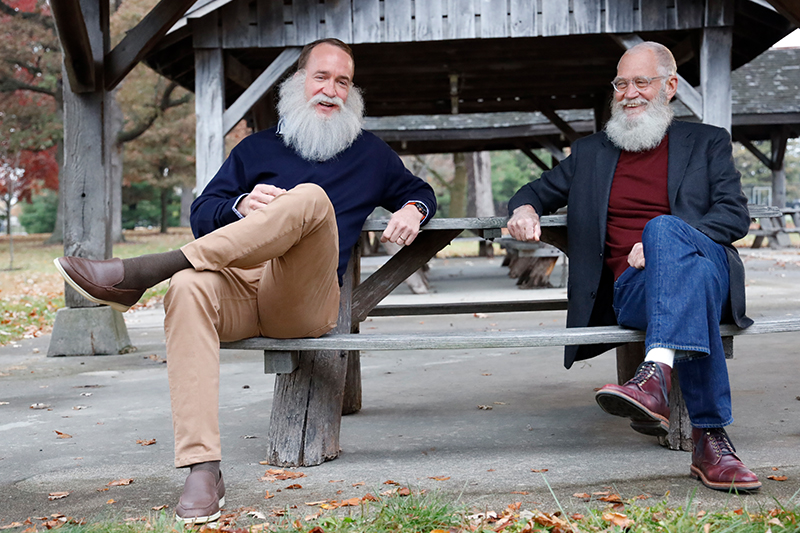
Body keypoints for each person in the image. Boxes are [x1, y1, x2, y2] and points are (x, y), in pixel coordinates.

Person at [53, 38, 436, 524]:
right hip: (238, 287)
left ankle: (148, 270)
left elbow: (420, 190)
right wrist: (238, 205)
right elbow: (202, 211)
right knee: (188, 288)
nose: (332, 90)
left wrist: (412, 207)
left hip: (302, 300)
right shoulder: (256, 148)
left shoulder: (371, 154)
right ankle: (202, 467)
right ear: (299, 83)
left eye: (343, 81)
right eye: (321, 77)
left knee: (311, 199)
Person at [507, 41, 760, 492]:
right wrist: (525, 209)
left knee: (663, 231)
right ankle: (712, 441)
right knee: (689, 275)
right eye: (621, 83)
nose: (629, 93)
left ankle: (654, 377)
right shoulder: (591, 152)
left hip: (711, 268)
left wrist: (670, 241)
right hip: (635, 291)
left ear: (669, 87)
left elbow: (734, 215)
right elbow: (535, 190)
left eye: (642, 82)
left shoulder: (707, 142)